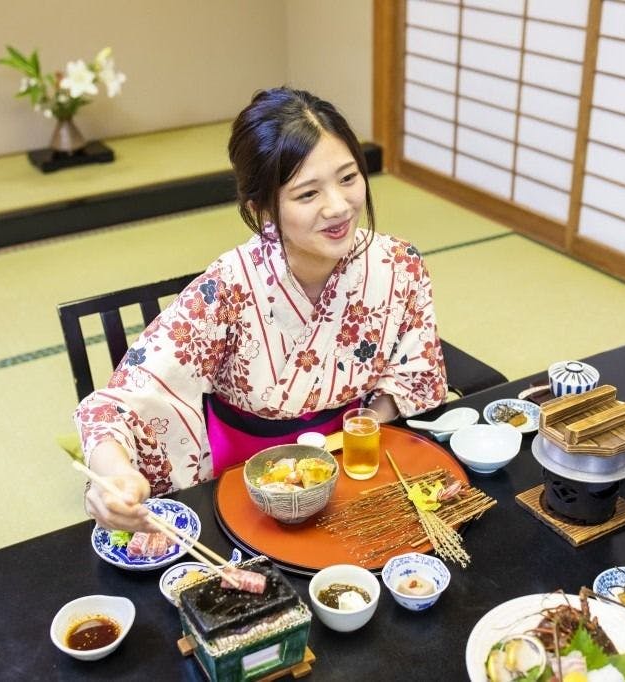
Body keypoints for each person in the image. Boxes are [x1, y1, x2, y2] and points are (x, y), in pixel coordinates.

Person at [76, 86, 447, 532]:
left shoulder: (397, 265)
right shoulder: (228, 288)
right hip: (245, 475)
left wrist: (367, 423)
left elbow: (415, 373)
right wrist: (115, 475)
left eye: (348, 178)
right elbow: (122, 402)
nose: (339, 206)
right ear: (264, 209)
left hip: (349, 457)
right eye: (307, 194)